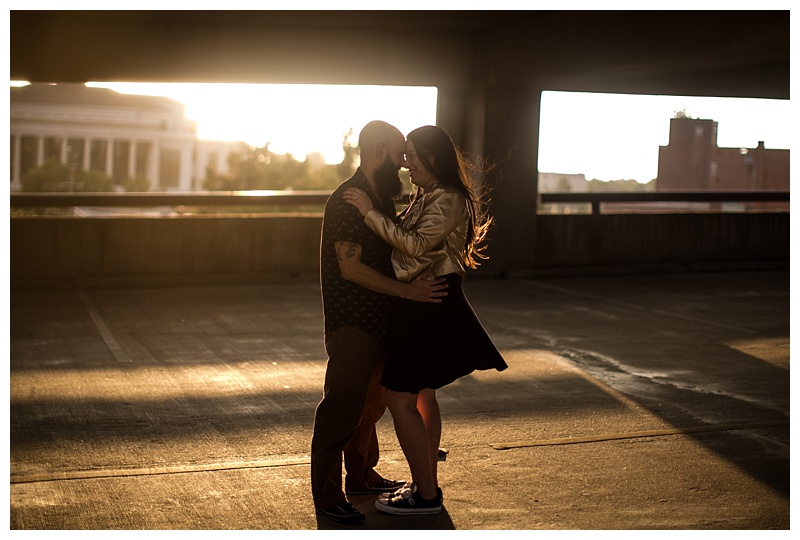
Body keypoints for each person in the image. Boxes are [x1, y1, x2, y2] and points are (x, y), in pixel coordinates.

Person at [342, 125, 508, 516]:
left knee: (399, 398)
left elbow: (414, 244)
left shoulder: (447, 198)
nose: (405, 162)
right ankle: (424, 482)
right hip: (424, 299)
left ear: (433, 158)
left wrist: (367, 212)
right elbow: (407, 239)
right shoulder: (427, 195)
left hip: (429, 301)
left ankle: (427, 495)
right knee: (423, 394)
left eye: (412, 154)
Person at [311, 120, 449, 525]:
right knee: (341, 409)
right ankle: (328, 496)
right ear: (379, 152)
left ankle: (361, 476)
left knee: (369, 409)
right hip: (352, 323)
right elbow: (351, 269)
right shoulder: (347, 200)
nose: (405, 162)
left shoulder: (380, 199)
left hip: (379, 321)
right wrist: (408, 293)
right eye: (399, 153)